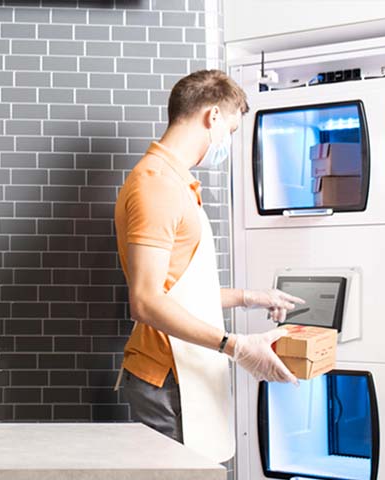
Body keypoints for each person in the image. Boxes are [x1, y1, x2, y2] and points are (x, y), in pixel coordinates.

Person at [114, 70, 304, 461]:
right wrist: (236, 346)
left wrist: (251, 297)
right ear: (212, 117)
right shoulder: (156, 185)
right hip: (166, 377)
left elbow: (179, 292)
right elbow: (146, 301)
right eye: (231, 130)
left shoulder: (176, 182)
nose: (227, 142)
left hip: (181, 372)